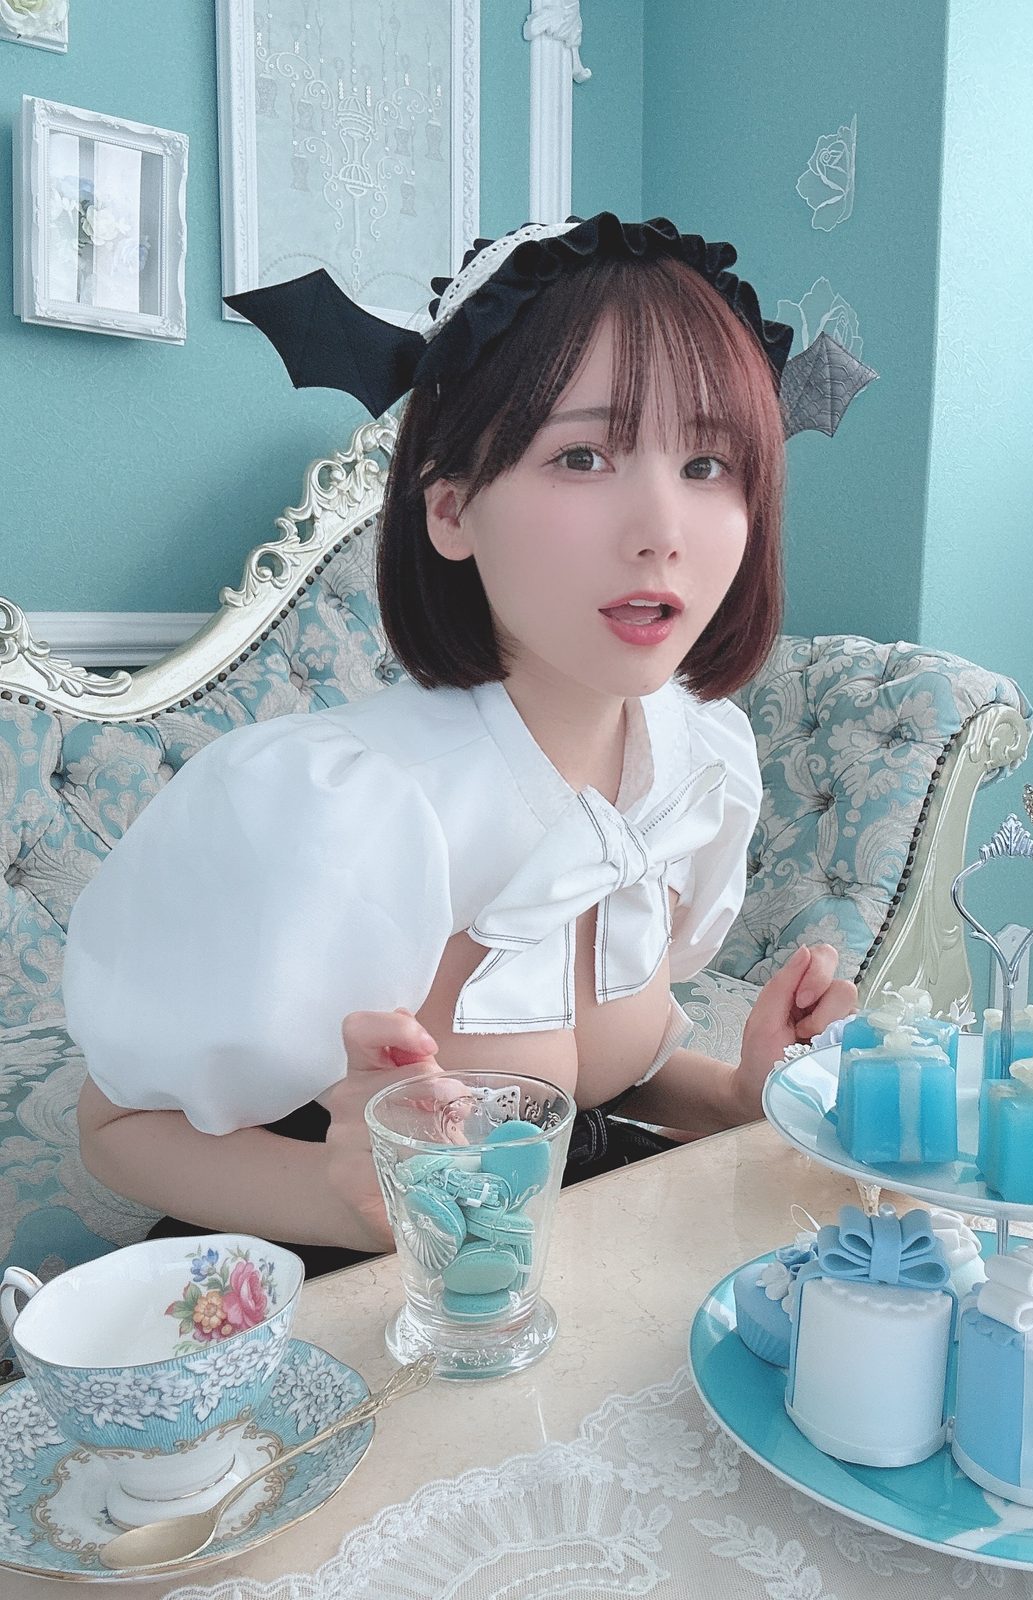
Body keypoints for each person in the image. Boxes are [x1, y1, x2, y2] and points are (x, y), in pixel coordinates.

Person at [64, 214, 872, 1274]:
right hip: (347, 1275)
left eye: (709, 462)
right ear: (449, 506)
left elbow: (597, 1076)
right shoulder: (334, 810)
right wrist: (345, 1197)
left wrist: (741, 1094)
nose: (662, 530)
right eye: (582, 455)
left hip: (561, 1246)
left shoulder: (695, 763)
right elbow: (114, 1131)